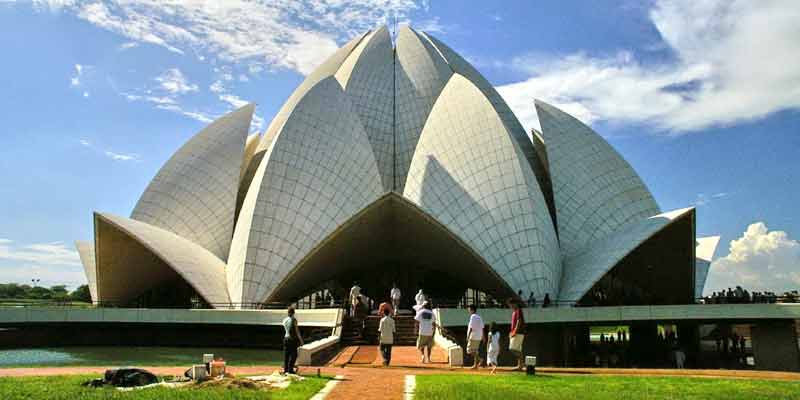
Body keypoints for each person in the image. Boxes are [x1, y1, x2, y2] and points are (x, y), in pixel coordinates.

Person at [282, 307, 304, 375]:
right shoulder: (294, 320)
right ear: (293, 313)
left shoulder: (284, 320)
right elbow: (297, 331)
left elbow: (286, 329)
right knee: (294, 354)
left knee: (286, 355)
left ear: (288, 312)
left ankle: (285, 370)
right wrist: (301, 340)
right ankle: (290, 369)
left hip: (286, 338)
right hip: (292, 339)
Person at [508, 299, 527, 370]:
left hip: (519, 333)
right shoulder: (514, 311)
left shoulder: (518, 310)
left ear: (514, 303)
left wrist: (514, 331)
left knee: (512, 348)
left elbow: (519, 321)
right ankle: (520, 366)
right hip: (516, 332)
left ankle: (522, 364)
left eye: (511, 305)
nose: (510, 306)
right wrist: (511, 332)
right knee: (518, 349)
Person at [466, 304, 484, 369]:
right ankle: (475, 365)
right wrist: (483, 336)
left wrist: (468, 336)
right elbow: (482, 327)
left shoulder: (472, 316)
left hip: (473, 336)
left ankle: (480, 359)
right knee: (475, 350)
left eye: (469, 309)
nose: (468, 310)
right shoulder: (479, 317)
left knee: (469, 350)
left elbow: (471, 327)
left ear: (472, 310)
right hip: (478, 336)